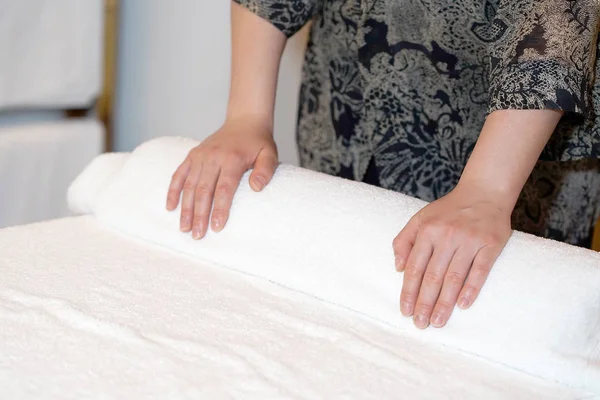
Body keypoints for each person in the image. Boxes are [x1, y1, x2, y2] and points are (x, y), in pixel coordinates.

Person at [166, 1, 600, 329]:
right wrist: (246, 117)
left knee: (486, 317)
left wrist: (487, 189)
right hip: (349, 101)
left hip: (512, 141)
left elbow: (558, 19)